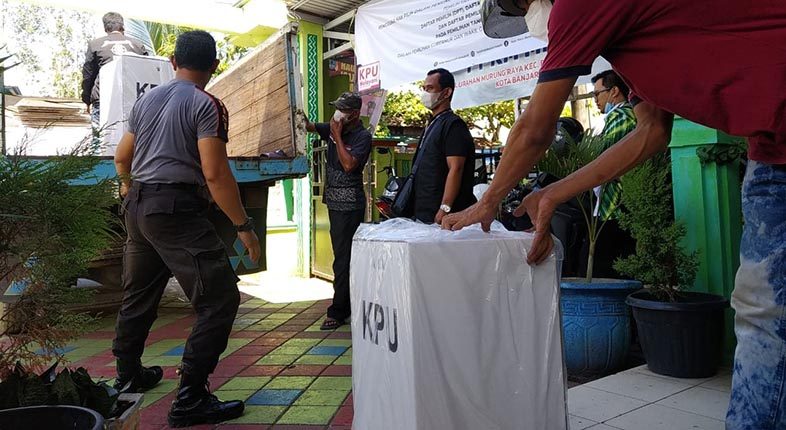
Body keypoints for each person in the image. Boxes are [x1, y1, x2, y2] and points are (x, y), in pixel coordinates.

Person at [444, 1, 786, 429]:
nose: (528, 15)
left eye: (522, 3)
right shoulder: (628, 49)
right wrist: (551, 194)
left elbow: (535, 128)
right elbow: (651, 132)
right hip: (770, 148)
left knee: (768, 315)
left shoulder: (577, 5)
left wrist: (487, 202)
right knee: (763, 308)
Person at [113, 30, 260, 428]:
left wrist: (128, 188)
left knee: (139, 294)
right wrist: (243, 226)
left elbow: (122, 157)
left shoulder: (146, 101)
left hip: (139, 207)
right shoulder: (206, 104)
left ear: (173, 62)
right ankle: (191, 398)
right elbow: (214, 173)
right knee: (220, 299)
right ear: (214, 66)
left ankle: (127, 376)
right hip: (176, 210)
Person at [305, 92, 372, 330]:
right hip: (334, 204)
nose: (337, 114)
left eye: (342, 110)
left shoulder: (362, 136)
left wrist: (336, 135)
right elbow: (308, 126)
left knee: (344, 259)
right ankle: (346, 304)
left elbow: (349, 164)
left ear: (353, 114)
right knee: (341, 257)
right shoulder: (334, 128)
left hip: (350, 205)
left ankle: (338, 311)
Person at [579, 70, 637, 278]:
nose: (595, 100)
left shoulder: (621, 116)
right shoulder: (626, 115)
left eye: (597, 94)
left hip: (614, 207)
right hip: (615, 206)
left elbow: (604, 159)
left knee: (598, 272)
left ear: (614, 91)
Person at [411, 68, 477, 224]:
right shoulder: (432, 124)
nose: (425, 93)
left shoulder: (454, 125)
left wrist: (445, 208)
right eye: (424, 88)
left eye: (430, 88)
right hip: (425, 212)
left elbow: (456, 168)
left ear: (446, 92)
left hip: (444, 216)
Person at [81, 12, 148, 127]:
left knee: (101, 136)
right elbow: (147, 72)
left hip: (103, 99)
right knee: (133, 136)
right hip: (132, 100)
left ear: (105, 27)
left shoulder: (95, 44)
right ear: (123, 27)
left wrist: (86, 100)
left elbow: (88, 75)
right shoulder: (138, 45)